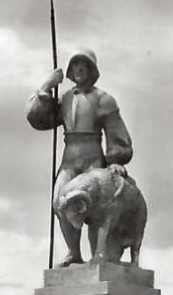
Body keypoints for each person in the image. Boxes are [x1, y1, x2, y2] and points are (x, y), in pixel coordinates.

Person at [27, 49, 133, 265]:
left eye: (84, 64)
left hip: (92, 157)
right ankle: (73, 252)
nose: (79, 68)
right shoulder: (66, 98)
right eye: (75, 64)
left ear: (92, 69)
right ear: (70, 70)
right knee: (61, 202)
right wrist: (45, 87)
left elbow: (116, 132)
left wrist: (115, 161)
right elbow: (39, 120)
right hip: (69, 157)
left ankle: (100, 255)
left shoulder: (104, 99)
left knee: (94, 204)